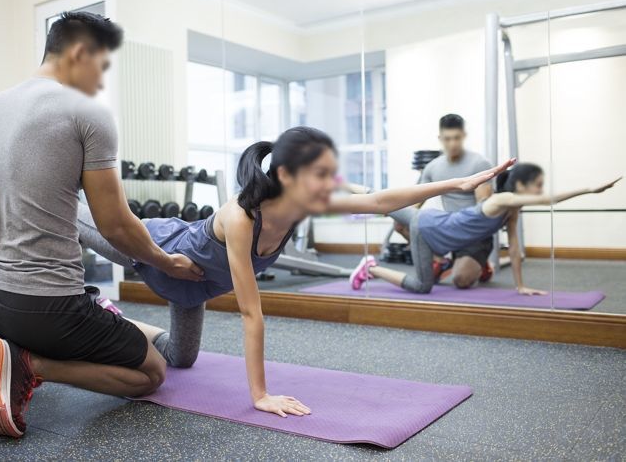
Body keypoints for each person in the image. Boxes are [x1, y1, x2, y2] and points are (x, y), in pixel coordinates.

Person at [77, 126, 515, 419]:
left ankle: (116, 317)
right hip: (155, 250)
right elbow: (251, 314)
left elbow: (380, 201)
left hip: (194, 287)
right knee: (74, 218)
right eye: (319, 174)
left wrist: (455, 184)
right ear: (286, 174)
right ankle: (56, 187)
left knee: (181, 360)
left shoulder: (304, 206)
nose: (330, 183)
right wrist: (260, 395)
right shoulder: (243, 218)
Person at [0, 12, 203, 438]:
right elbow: (116, 226)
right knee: (151, 372)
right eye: (102, 65)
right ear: (79, 52)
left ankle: (17, 347)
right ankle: (31, 364)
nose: (101, 78)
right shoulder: (86, 112)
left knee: (89, 316)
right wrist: (167, 264)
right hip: (44, 308)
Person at [349, 164, 620, 295]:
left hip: (432, 221)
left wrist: (521, 286)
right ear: (521, 186)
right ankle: (370, 268)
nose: (540, 189)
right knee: (422, 286)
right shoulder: (502, 199)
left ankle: (342, 187)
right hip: (427, 229)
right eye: (537, 184)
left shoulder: (511, 212)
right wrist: (589, 190)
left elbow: (514, 248)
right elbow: (547, 200)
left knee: (381, 201)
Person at [394, 114, 495, 287]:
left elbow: (483, 210)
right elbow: (414, 202)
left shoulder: (479, 164)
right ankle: (440, 260)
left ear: (464, 136)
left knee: (461, 281)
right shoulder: (433, 167)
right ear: (440, 138)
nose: (452, 144)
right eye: (447, 139)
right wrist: (392, 210)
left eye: (456, 138)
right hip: (448, 229)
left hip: (474, 233)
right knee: (401, 223)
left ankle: (482, 263)